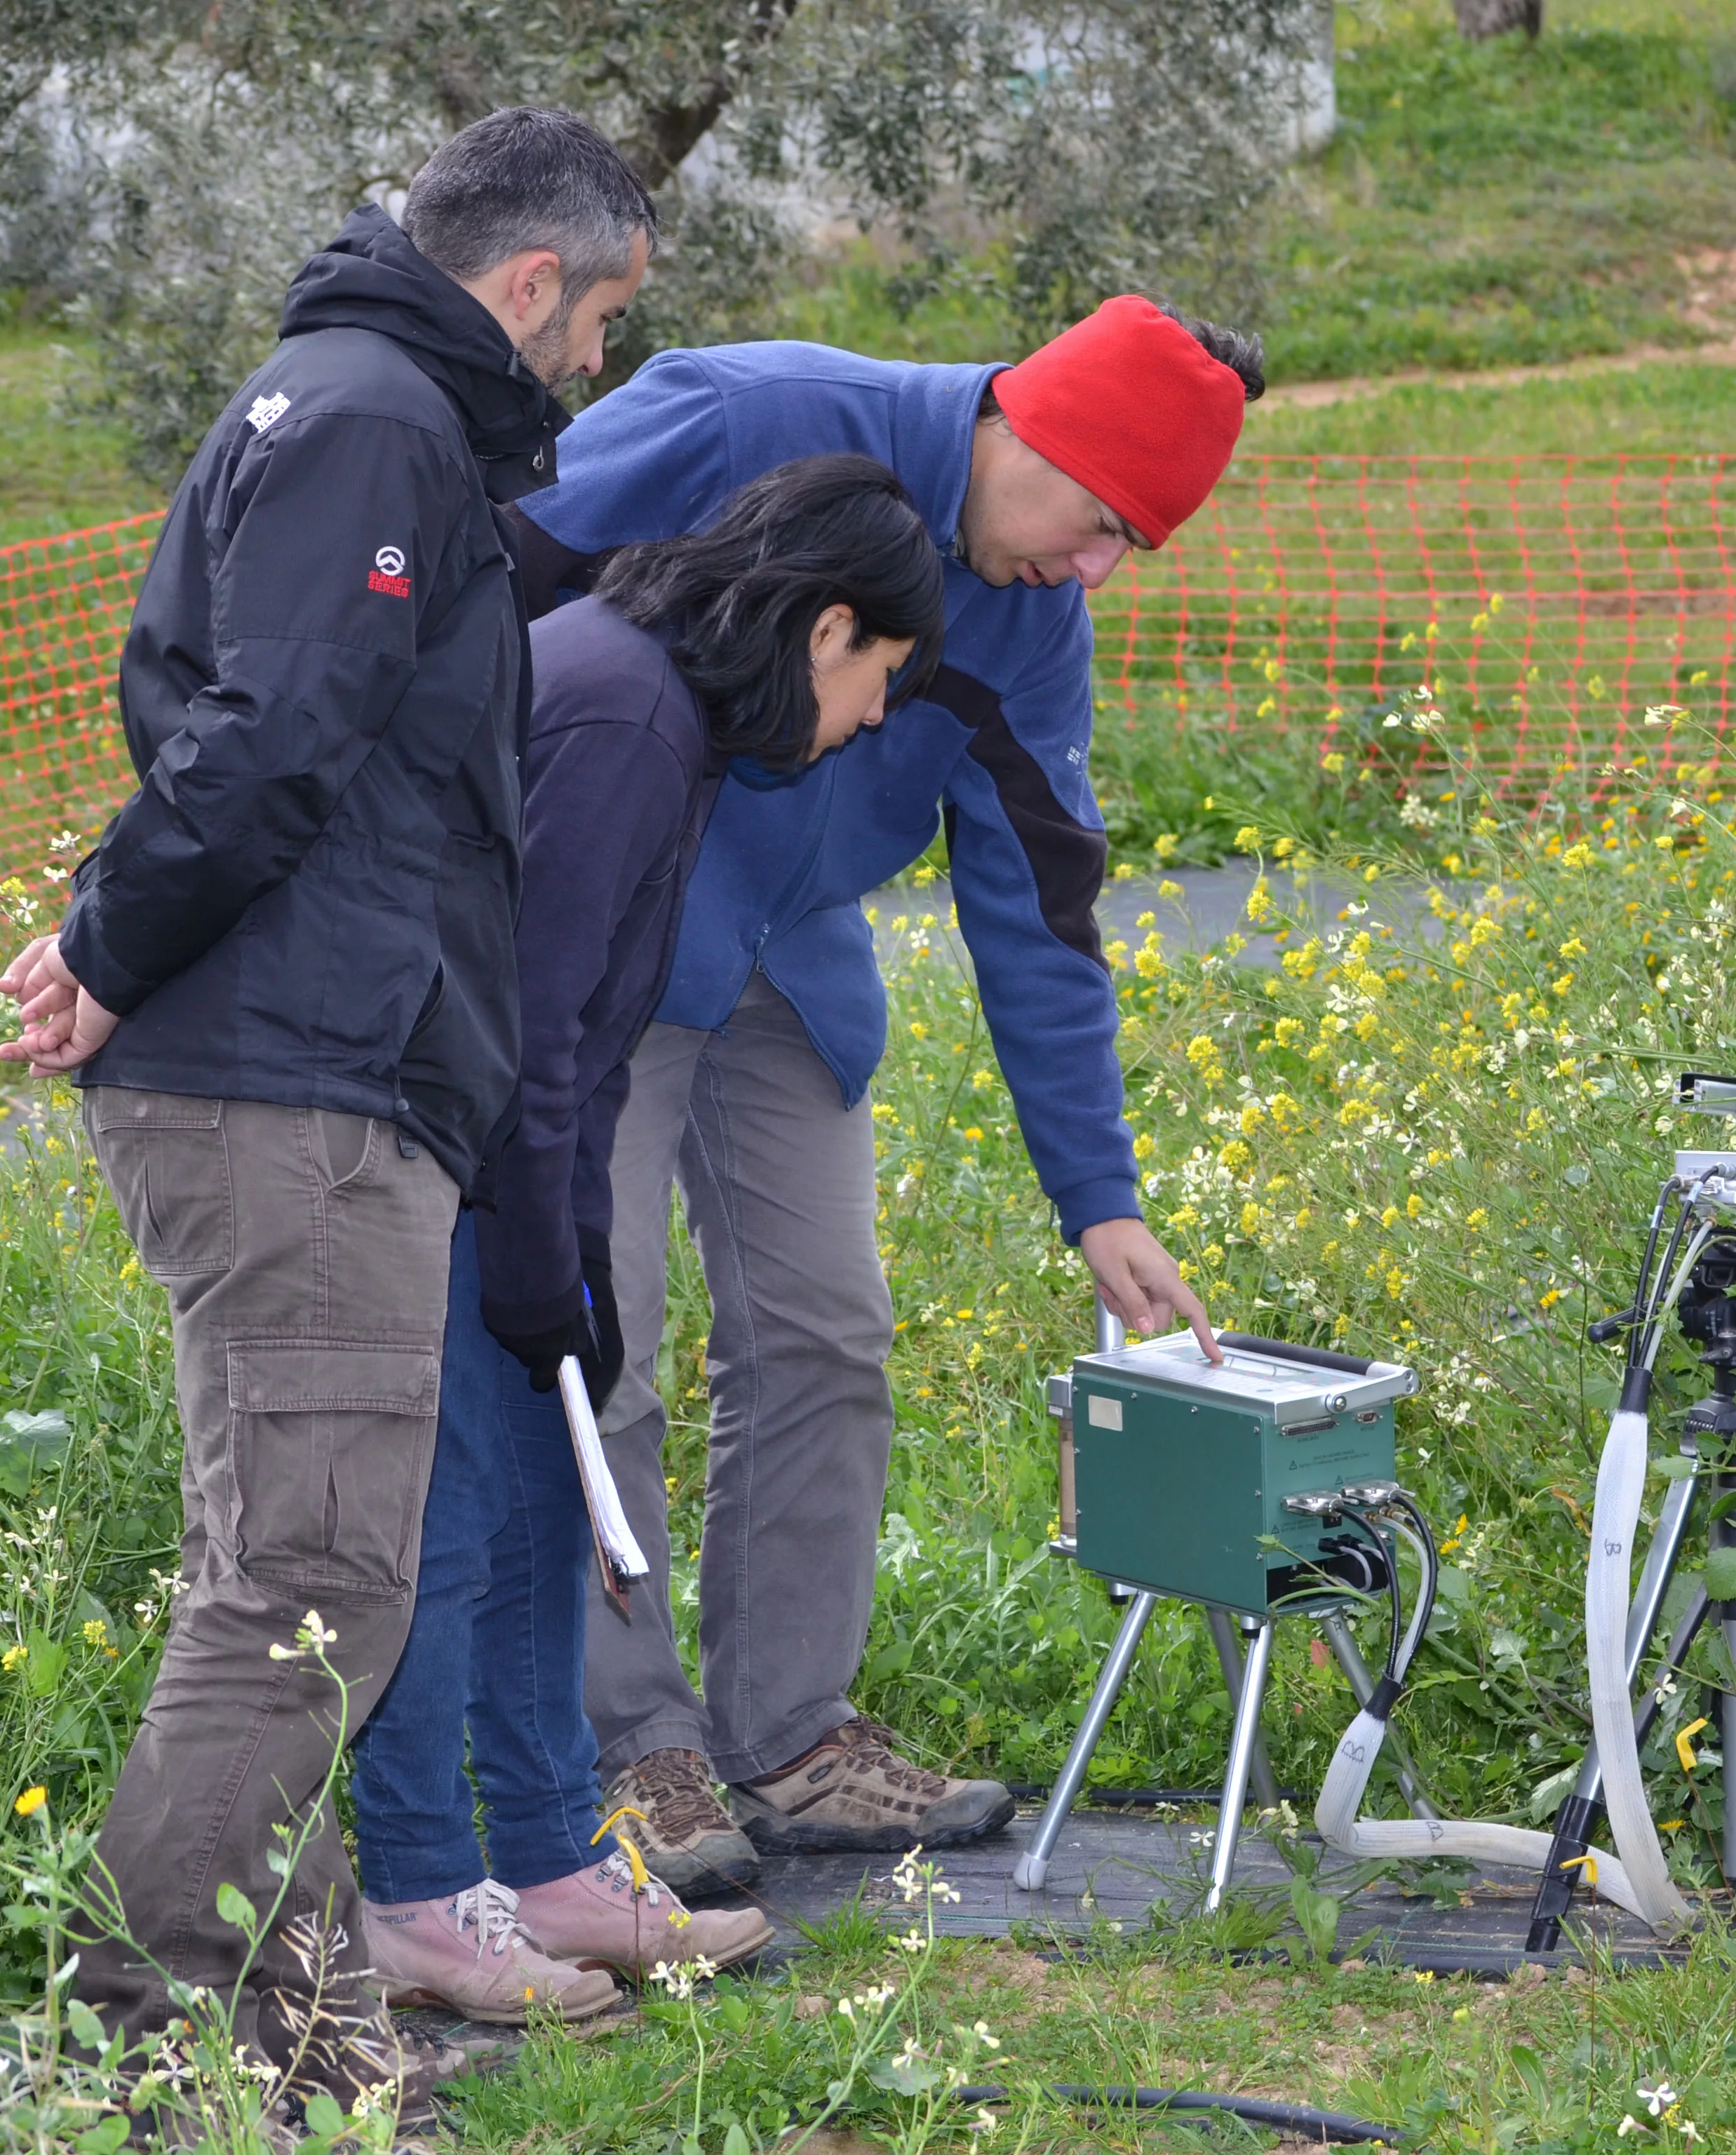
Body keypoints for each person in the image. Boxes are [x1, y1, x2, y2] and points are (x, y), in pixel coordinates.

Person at [0, 105, 653, 2106]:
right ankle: (142, 2057)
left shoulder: (367, 409)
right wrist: (108, 941)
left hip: (327, 1058)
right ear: (529, 283)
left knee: (307, 1580)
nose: (601, 361)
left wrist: (111, 933)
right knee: (306, 1591)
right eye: (605, 316)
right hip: (303, 1079)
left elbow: (272, 728)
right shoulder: (372, 418)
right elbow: (273, 734)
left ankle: (292, 2033)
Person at [504, 296, 1263, 1893]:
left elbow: (1041, 903)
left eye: (1136, 547)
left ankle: (788, 1736)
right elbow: (478, 570)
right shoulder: (741, 418)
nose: (1097, 569)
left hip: (792, 973)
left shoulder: (1031, 617)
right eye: (1102, 523)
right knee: (601, 1337)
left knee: (826, 1329)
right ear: (1029, 433)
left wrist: (1099, 1194)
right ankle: (627, 1747)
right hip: (597, 948)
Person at [346, 454, 946, 2013]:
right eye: (883, 674)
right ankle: (416, 1891)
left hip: (483, 1132)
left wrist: (576, 1271)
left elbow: (589, 1028)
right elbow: (533, 1031)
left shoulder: (664, 714)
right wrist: (547, 1266)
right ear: (826, 632)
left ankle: (551, 1864)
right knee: (459, 1509)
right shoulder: (623, 715)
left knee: (554, 1485)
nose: (878, 716)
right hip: (407, 1125)